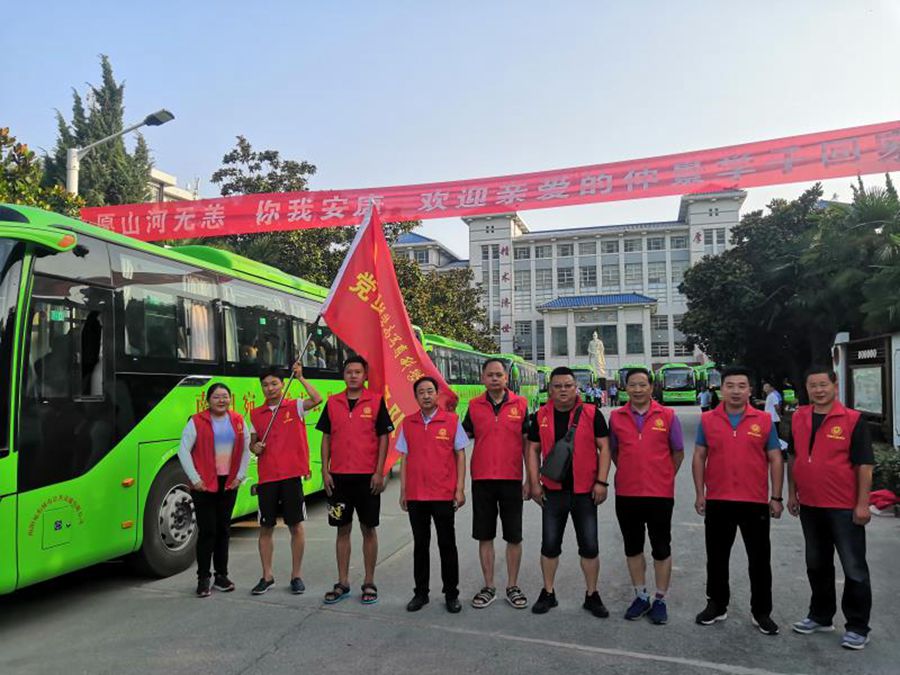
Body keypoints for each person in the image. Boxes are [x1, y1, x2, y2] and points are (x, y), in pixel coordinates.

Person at [786, 366, 875, 650]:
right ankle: (820, 616)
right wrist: (791, 493)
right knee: (817, 564)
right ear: (807, 388)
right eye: (813, 385)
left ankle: (858, 627)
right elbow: (793, 457)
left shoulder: (853, 419)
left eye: (823, 384)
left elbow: (864, 465)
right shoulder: (799, 417)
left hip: (844, 507)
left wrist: (862, 504)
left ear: (835, 385)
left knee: (854, 568)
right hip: (810, 505)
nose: (818, 390)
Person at [692, 366, 784, 635]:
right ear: (721, 389)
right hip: (718, 500)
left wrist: (776, 497)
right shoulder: (708, 420)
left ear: (749, 390)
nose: (735, 391)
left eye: (741, 386)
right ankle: (716, 605)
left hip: (754, 501)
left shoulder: (763, 420)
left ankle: (761, 611)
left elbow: (775, 458)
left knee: (759, 559)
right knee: (716, 557)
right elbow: (699, 456)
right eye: (730, 385)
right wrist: (700, 493)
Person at [526, 366, 612, 617]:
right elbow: (532, 449)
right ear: (550, 389)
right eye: (557, 386)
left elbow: (605, 448)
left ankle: (592, 594)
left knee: (589, 547)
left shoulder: (592, 414)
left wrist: (602, 482)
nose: (563, 390)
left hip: (585, 492)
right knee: (549, 546)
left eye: (568, 386)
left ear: (576, 388)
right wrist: (534, 483)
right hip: (553, 492)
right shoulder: (540, 415)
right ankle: (548, 592)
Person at [609, 368, 684, 625]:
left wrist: (662, 475)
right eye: (633, 385)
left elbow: (678, 452)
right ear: (625, 388)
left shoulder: (668, 415)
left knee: (661, 548)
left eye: (642, 384)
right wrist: (630, 471)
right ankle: (640, 595)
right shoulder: (616, 417)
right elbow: (615, 452)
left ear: (651, 387)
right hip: (627, 493)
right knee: (633, 547)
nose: (638, 389)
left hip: (659, 494)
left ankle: (660, 599)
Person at [316, 356, 394, 605]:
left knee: (368, 529)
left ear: (365, 375)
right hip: (339, 478)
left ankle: (369, 581)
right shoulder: (333, 402)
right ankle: (343, 582)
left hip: (367, 478)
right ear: (343, 375)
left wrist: (380, 471)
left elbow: (384, 438)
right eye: (349, 371)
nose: (353, 376)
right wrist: (325, 471)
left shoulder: (376, 401)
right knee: (342, 529)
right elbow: (326, 437)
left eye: (358, 372)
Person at [248, 363, 323, 595]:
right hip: (268, 478)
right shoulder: (255, 414)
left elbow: (317, 399)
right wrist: (255, 448)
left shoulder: (295, 406)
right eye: (265, 385)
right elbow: (252, 443)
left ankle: (296, 576)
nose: (269, 388)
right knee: (266, 527)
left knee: (295, 526)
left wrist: (300, 378)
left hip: (291, 476)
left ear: (282, 384)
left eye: (274, 383)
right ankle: (267, 576)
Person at [462, 358, 530, 610]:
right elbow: (461, 438)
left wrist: (531, 479)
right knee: (485, 535)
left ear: (506, 378)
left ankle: (512, 586)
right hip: (482, 479)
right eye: (489, 375)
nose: (494, 378)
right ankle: (489, 586)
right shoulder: (473, 406)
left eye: (498, 374)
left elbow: (528, 445)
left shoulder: (521, 404)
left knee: (514, 536)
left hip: (512, 479)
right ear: (483, 378)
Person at [398, 376, 469, 613]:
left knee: (447, 544)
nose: (426, 396)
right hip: (416, 495)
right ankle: (421, 593)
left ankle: (451, 594)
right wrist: (404, 491)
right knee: (420, 545)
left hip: (443, 494)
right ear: (416, 397)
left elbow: (460, 454)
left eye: (430, 391)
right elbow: (404, 457)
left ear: (437, 394)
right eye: (421, 392)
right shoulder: (408, 422)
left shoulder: (451, 420)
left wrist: (459, 488)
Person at [178, 383, 251, 597]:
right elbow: (183, 451)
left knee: (223, 530)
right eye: (217, 397)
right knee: (207, 531)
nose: (221, 400)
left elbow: (246, 449)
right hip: (204, 484)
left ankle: (221, 576)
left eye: (225, 396)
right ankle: (203, 578)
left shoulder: (238, 420)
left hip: (228, 483)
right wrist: (195, 479)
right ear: (208, 400)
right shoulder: (197, 421)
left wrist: (240, 476)